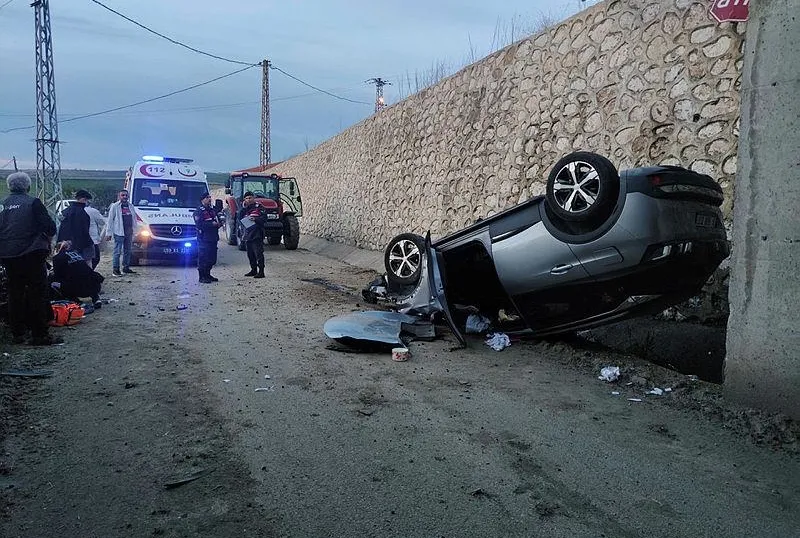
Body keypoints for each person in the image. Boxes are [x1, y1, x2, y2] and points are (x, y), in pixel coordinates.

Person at [0, 171, 61, 345]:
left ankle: (17, 333)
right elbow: (49, 228)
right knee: (37, 294)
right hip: (32, 254)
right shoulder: (33, 203)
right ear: (27, 186)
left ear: (9, 186)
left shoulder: (2, 204)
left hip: (8, 256)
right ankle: (39, 334)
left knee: (14, 294)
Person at [51, 242, 104, 308]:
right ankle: (96, 299)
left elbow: (57, 275)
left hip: (78, 289)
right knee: (85, 276)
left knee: (53, 282)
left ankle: (76, 301)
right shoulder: (76, 253)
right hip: (95, 286)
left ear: (56, 249)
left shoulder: (57, 258)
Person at [104, 189, 139, 277]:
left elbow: (134, 219)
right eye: (122, 195)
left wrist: (136, 230)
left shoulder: (131, 206)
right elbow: (110, 220)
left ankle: (126, 268)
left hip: (129, 232)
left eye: (126, 195)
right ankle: (115, 269)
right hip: (119, 232)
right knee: (117, 251)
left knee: (127, 250)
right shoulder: (115, 206)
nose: (124, 197)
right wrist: (108, 233)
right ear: (119, 196)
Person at [57, 189, 94, 267]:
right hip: (83, 244)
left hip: (67, 243)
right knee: (88, 263)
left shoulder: (66, 211)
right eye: (87, 200)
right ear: (84, 199)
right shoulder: (82, 213)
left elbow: (62, 229)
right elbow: (84, 231)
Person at [192, 191, 222, 284]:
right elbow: (199, 224)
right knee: (203, 258)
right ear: (202, 200)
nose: (209, 199)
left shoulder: (212, 210)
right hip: (204, 238)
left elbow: (218, 219)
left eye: (210, 197)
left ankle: (208, 274)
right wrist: (211, 224)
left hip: (213, 238)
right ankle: (202, 276)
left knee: (212, 258)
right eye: (207, 198)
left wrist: (219, 223)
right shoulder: (198, 211)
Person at [238, 191, 268, 278]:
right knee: (250, 254)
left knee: (258, 253)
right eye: (246, 198)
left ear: (253, 198)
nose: (248, 200)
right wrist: (243, 208)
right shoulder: (244, 209)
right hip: (247, 234)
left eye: (250, 198)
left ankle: (261, 272)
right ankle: (253, 270)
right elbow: (239, 218)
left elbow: (264, 218)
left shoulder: (259, 207)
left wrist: (255, 219)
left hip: (257, 233)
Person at [84, 201, 106, 270]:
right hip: (92, 239)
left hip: (77, 239)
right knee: (95, 258)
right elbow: (102, 222)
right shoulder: (93, 211)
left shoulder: (73, 210)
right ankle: (89, 273)